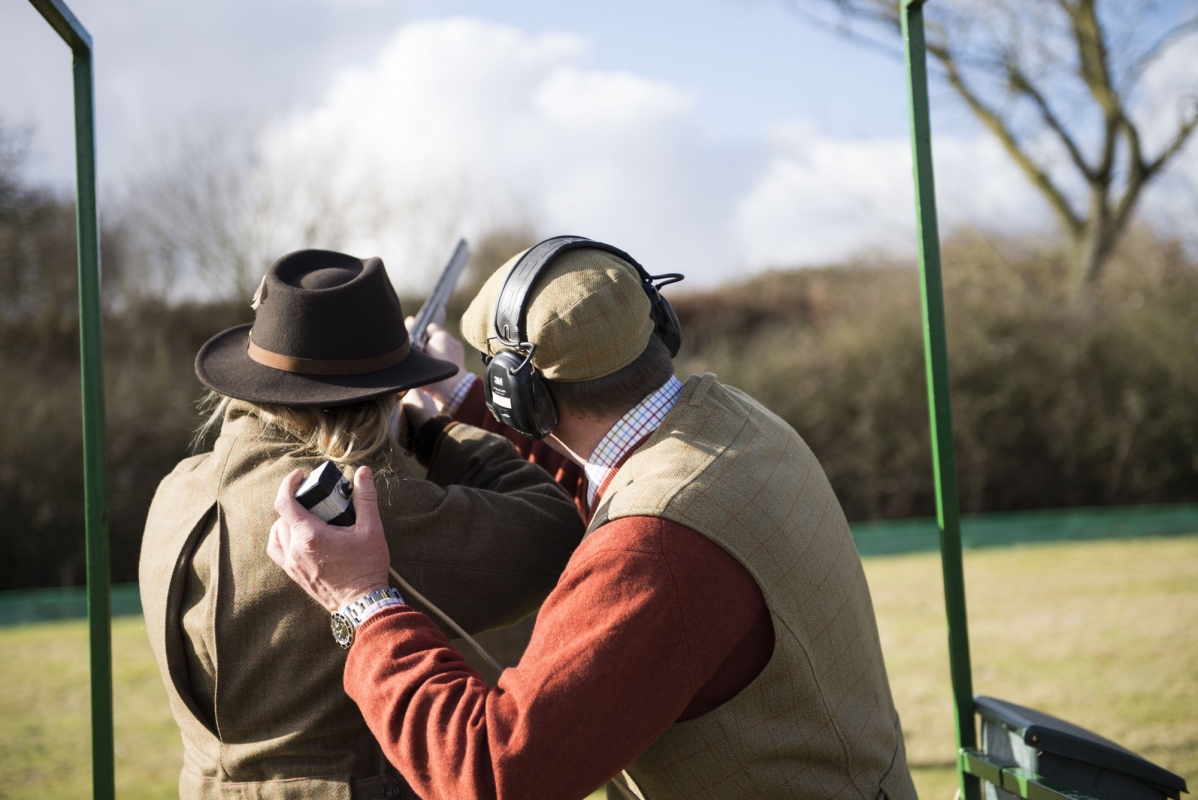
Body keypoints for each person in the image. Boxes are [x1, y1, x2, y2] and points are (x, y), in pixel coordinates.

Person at [268, 237, 918, 800]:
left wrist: (363, 603)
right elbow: (608, 469)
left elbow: (492, 774)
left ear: (517, 393)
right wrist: (460, 398)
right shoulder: (737, 423)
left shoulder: (652, 548)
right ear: (654, 322)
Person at [139, 248, 585, 800]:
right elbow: (553, 526)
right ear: (380, 398)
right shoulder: (363, 507)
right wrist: (435, 430)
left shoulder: (175, 489)